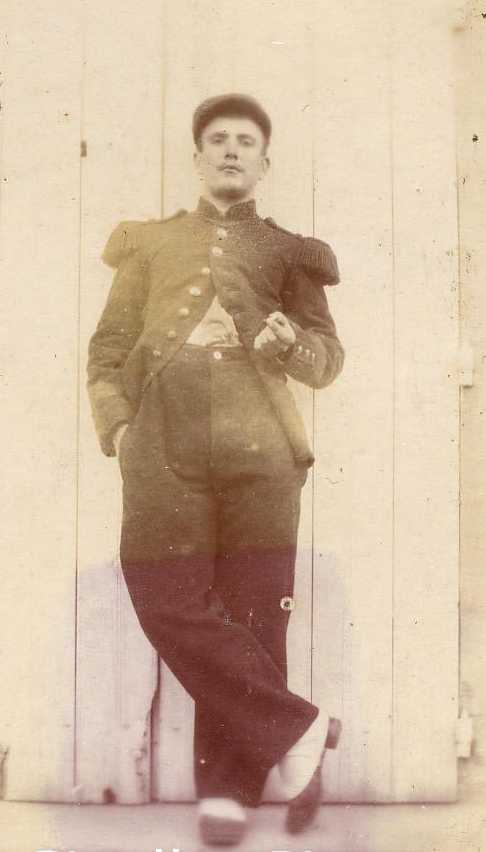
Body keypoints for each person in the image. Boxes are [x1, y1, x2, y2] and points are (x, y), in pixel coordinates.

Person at [87, 93, 345, 846]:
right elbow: (107, 351)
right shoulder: (148, 243)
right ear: (198, 157)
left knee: (255, 610)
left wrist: (289, 345)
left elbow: (327, 359)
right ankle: (299, 728)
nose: (232, 149)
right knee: (163, 592)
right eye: (218, 139)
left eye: (246, 141)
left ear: (265, 162)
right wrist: (122, 426)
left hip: (259, 435)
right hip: (162, 432)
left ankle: (229, 791)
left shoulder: (291, 251)